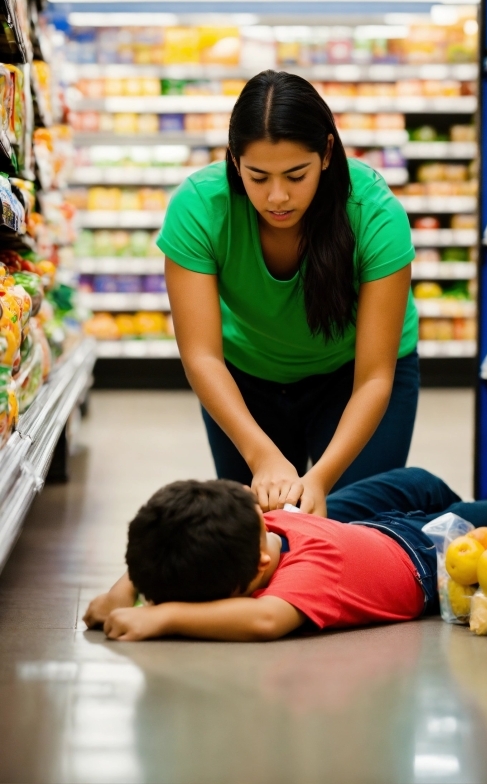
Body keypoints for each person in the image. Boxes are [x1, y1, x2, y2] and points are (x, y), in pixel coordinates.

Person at [157, 70, 420, 516]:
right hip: (246, 380)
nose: (277, 196)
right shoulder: (200, 207)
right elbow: (202, 355)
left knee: (357, 527)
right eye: (258, 177)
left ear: (326, 154)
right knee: (256, 536)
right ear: (234, 161)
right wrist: (261, 455)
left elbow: (375, 376)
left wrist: (319, 479)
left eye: (295, 175)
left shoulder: (374, 213)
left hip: (354, 376)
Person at [83, 468, 487, 642]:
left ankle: (440, 494)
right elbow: (264, 622)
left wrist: (119, 594)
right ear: (259, 566)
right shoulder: (306, 579)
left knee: (417, 481)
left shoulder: (236, 549)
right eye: (262, 525)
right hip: (415, 551)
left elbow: (162, 540)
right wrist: (163, 617)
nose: (265, 515)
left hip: (345, 530)